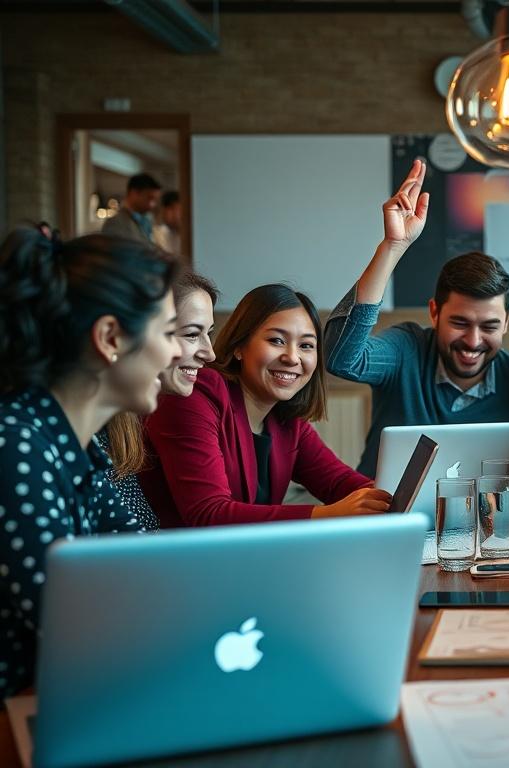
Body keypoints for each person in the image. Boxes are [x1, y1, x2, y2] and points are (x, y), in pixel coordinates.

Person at [0, 229, 180, 699]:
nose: (177, 351)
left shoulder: (76, 445)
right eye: (167, 332)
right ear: (110, 337)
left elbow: (142, 559)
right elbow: (68, 623)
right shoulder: (17, 446)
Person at [324, 159, 509, 485]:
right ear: (434, 312)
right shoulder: (407, 349)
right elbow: (341, 359)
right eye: (460, 323)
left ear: (506, 323)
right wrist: (392, 247)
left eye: (490, 327)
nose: (474, 341)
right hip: (383, 515)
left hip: (478, 526)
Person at [141, 283, 389, 527]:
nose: (292, 357)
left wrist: (393, 498)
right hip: (171, 560)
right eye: (277, 341)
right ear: (239, 346)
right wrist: (329, 514)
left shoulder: (286, 418)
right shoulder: (196, 392)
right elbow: (208, 513)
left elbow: (339, 483)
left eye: (306, 345)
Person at [98, 269, 219, 527]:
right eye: (190, 334)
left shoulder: (122, 426)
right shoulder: (75, 436)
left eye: (209, 332)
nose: (210, 354)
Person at [101, 173, 162, 243]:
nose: (152, 205)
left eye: (155, 200)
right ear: (134, 193)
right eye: (149, 198)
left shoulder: (146, 221)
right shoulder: (116, 223)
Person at [153, 189, 182, 256]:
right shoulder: (157, 234)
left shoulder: (192, 235)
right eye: (164, 211)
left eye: (173, 208)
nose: (169, 215)